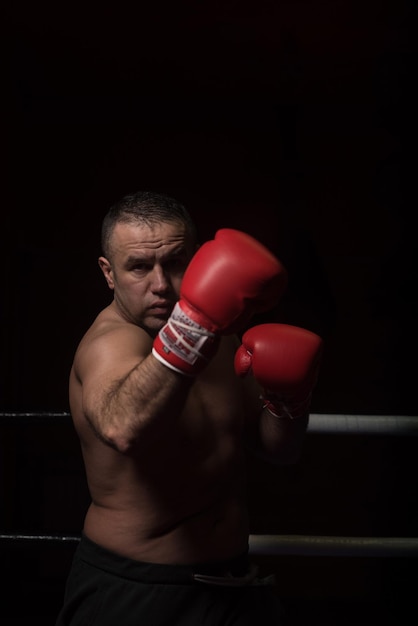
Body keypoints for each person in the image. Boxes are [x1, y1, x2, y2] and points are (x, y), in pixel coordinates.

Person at [55, 190, 323, 626]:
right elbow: (124, 426)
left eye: (175, 262)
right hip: (140, 591)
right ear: (109, 273)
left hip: (235, 584)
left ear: (198, 260)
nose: (160, 284)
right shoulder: (108, 345)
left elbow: (278, 449)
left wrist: (290, 399)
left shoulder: (220, 335)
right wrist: (193, 328)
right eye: (139, 267)